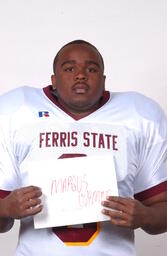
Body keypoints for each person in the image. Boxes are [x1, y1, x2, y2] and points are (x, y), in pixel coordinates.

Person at [0, 39, 167, 256]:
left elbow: (161, 209)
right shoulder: (16, 111)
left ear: (104, 80)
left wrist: (145, 216)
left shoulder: (139, 115)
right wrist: (5, 208)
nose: (81, 75)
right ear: (54, 80)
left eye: (91, 68)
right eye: (69, 68)